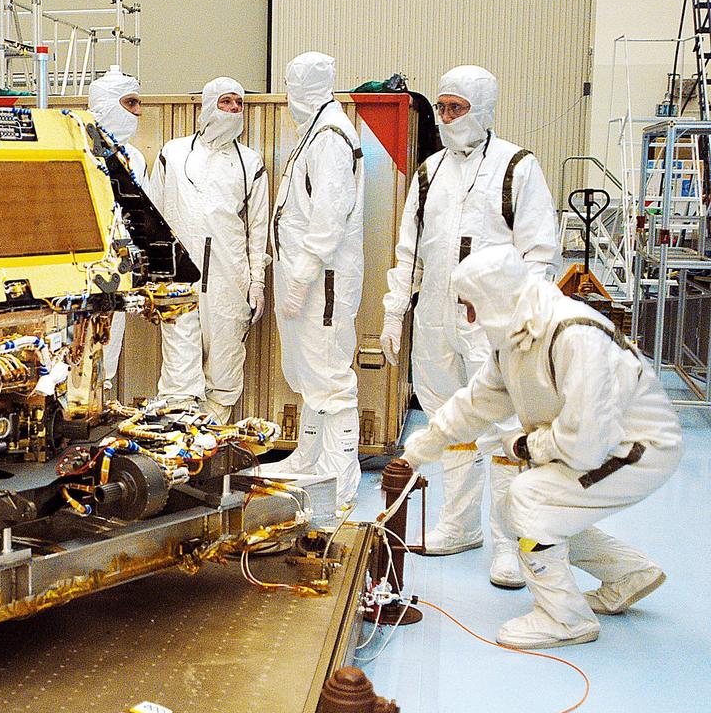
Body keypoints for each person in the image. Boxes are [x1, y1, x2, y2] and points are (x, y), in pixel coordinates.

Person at [402, 245, 681, 648]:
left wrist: (526, 445)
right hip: (602, 443)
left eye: (472, 306)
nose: (469, 319)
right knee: (514, 507)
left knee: (530, 498)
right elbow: (479, 400)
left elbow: (584, 443)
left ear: (494, 299)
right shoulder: (517, 336)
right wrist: (423, 447)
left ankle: (564, 618)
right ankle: (628, 572)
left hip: (639, 447)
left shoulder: (573, 335)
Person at [379, 65, 558, 587]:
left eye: (456, 107)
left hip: (492, 322)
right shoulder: (430, 171)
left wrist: (525, 318)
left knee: (504, 430)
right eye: (442, 107)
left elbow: (538, 250)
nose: (447, 117)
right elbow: (409, 249)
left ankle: (508, 544)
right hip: (436, 313)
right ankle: (458, 526)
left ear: (482, 108)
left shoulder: (516, 167)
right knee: (446, 417)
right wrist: (395, 310)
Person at [266, 51, 364, 506]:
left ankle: (339, 474)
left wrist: (303, 274)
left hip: (321, 280)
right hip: (304, 276)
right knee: (307, 369)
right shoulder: (315, 132)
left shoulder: (331, 137)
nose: (287, 98)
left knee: (328, 372)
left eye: (291, 87)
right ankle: (309, 456)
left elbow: (329, 215)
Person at [148, 77, 269, 423]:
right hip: (179, 280)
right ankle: (177, 444)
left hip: (229, 281)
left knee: (225, 364)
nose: (232, 109)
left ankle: (212, 443)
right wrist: (151, 275)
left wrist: (256, 282)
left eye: (238, 103)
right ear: (208, 104)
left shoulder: (250, 163)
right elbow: (152, 215)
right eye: (225, 101)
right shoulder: (174, 153)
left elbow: (257, 228)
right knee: (179, 369)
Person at [88, 65, 147, 391]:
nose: (138, 113)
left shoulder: (134, 158)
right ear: (108, 104)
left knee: (109, 351)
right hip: (83, 272)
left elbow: (143, 216)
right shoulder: (77, 149)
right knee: (77, 355)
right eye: (130, 104)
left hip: (121, 270)